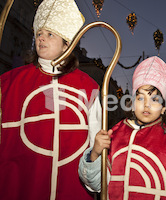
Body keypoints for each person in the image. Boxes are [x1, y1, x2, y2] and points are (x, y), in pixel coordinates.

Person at [0, 0, 101, 199]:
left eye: (50, 34)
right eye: (39, 33)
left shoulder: (88, 86)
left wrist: (96, 166)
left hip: (70, 189)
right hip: (19, 188)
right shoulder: (9, 82)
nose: (41, 39)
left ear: (66, 44)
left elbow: (95, 142)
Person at [78, 56, 166, 199]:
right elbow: (97, 184)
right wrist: (95, 154)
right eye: (140, 98)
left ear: (163, 108)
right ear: (133, 104)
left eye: (154, 99)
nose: (146, 104)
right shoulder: (115, 135)